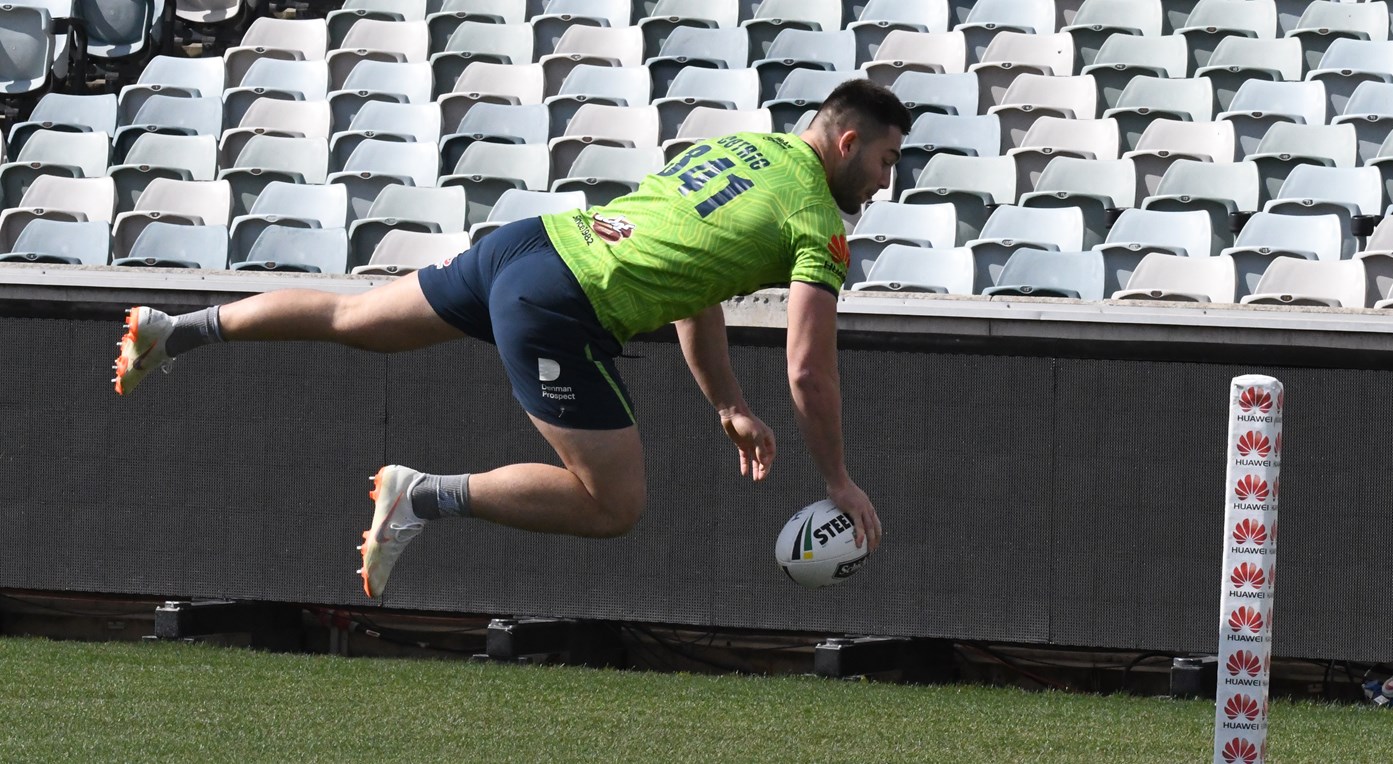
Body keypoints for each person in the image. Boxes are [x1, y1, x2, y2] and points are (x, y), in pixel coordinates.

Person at [111, 79, 909, 599]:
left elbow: (694, 292)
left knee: (352, 319)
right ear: (848, 143)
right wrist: (837, 480)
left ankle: (173, 331)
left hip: (529, 243)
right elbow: (808, 372)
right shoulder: (817, 223)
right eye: (885, 158)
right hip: (561, 303)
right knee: (613, 505)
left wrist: (727, 402)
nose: (885, 179)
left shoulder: (746, 147)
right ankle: (421, 496)